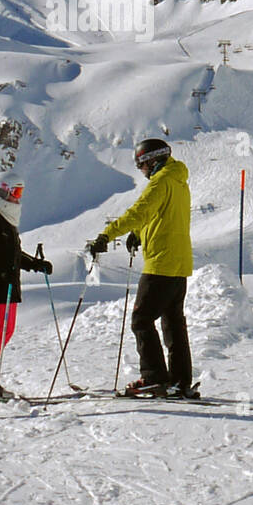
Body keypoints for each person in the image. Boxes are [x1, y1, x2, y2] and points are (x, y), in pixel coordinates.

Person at [89, 139, 194, 398]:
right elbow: (158, 215)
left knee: (141, 319)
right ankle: (180, 381)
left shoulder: (161, 182)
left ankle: (154, 377)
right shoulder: (178, 180)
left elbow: (140, 210)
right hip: (179, 264)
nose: (141, 170)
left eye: (141, 164)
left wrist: (107, 235)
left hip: (161, 263)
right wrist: (138, 233)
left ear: (152, 160)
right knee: (173, 323)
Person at [0, 171, 52, 401]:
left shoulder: (3, 218)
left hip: (6, 284)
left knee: (3, 331)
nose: (19, 197)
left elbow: (13, 253)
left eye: (20, 192)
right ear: (1, 191)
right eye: (15, 192)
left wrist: (35, 264)